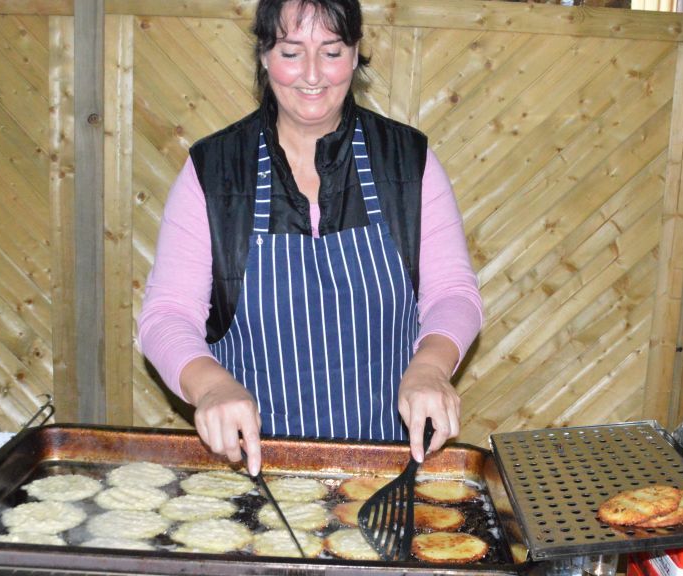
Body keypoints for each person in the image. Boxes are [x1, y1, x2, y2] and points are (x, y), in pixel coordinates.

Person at [138, 0, 482, 476]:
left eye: (332, 51)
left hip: (386, 473)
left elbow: (453, 293)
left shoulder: (407, 160)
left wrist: (430, 367)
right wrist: (210, 385)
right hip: (255, 472)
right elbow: (166, 314)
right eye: (291, 51)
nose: (313, 75)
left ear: (356, 52)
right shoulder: (214, 170)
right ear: (264, 55)